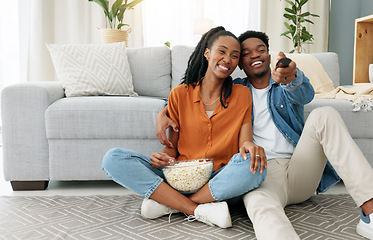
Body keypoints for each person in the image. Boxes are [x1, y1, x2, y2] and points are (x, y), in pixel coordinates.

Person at [156, 30, 373, 240]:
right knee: (262, 211)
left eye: (261, 50)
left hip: (300, 168)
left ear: (269, 56)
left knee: (324, 114)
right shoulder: (234, 91)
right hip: (258, 173)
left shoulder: (283, 84)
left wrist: (291, 76)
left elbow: (304, 93)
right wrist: (163, 112)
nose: (254, 55)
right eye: (246, 53)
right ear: (239, 64)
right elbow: (197, 98)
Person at [102, 27, 267, 229]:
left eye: (234, 56)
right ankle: (195, 209)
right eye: (221, 52)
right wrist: (163, 157)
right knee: (113, 158)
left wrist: (251, 148)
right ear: (207, 53)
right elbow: (172, 148)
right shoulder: (179, 94)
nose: (227, 59)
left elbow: (245, 143)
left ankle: (170, 203)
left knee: (255, 166)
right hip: (178, 177)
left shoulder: (242, 94)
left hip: (218, 181)